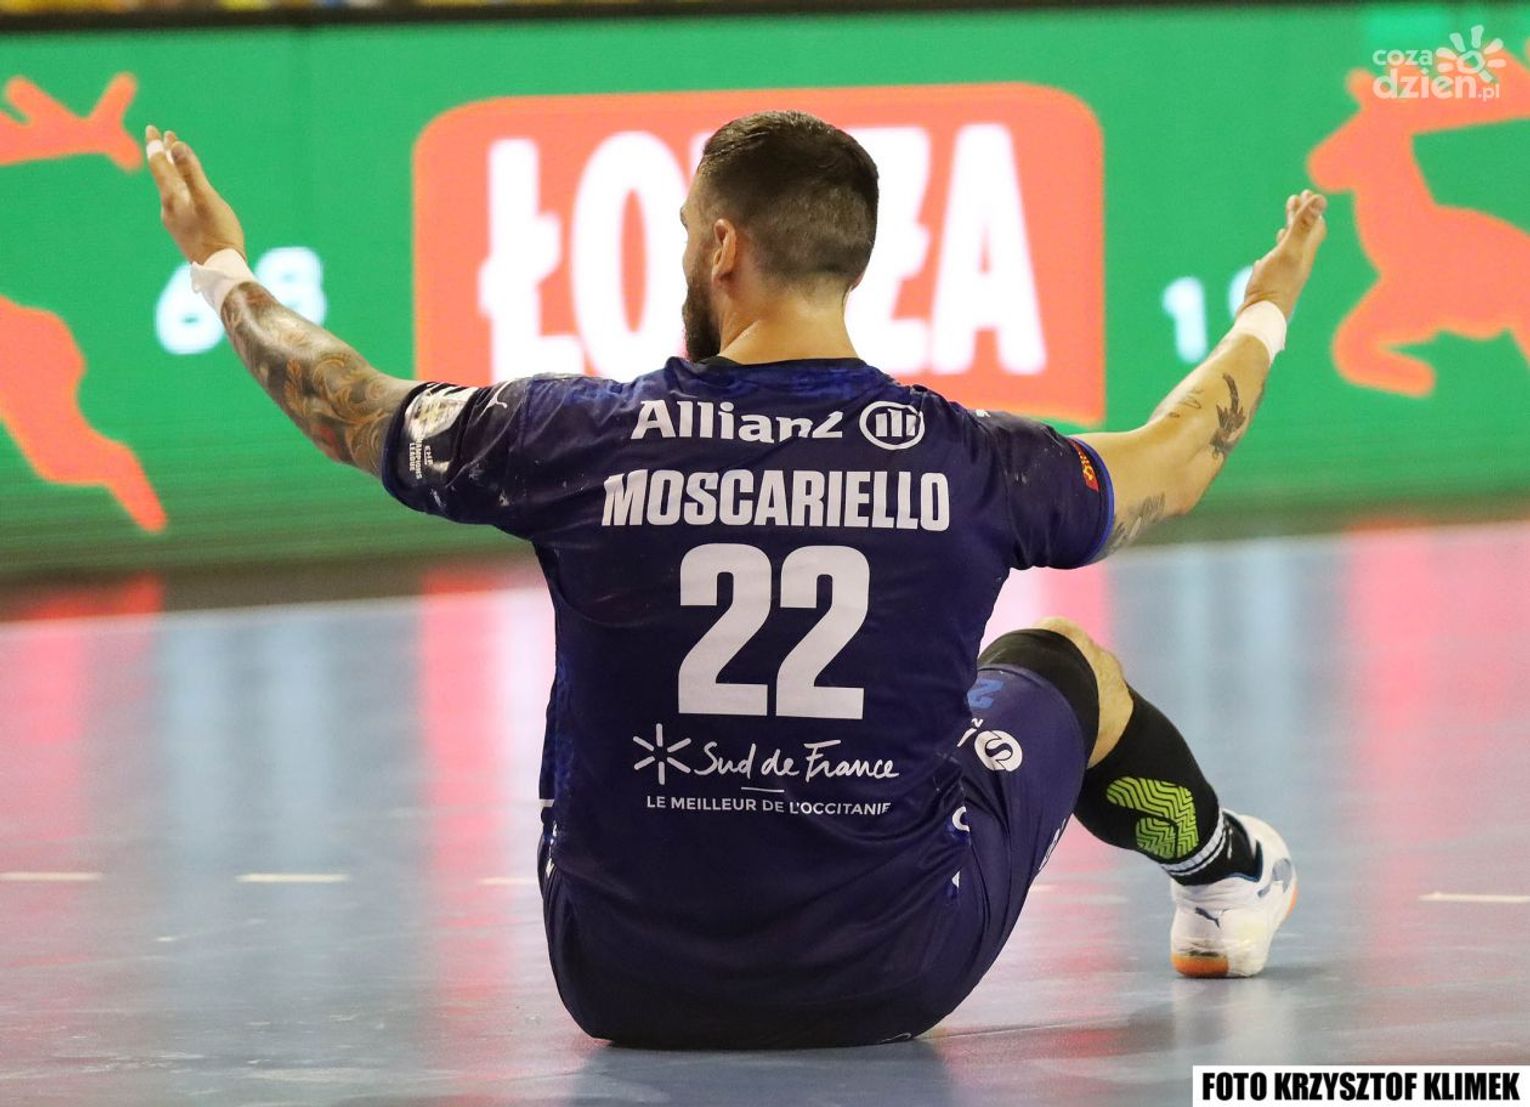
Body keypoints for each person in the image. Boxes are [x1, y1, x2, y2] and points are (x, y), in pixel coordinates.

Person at [145, 110, 1324, 1049]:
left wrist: (219, 269)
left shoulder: (573, 439)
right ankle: (1224, 877)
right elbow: (1177, 458)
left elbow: (349, 407)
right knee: (1061, 664)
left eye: (682, 233)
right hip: (893, 973)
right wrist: (1265, 311)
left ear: (721, 249)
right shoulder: (969, 464)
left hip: (619, 979)